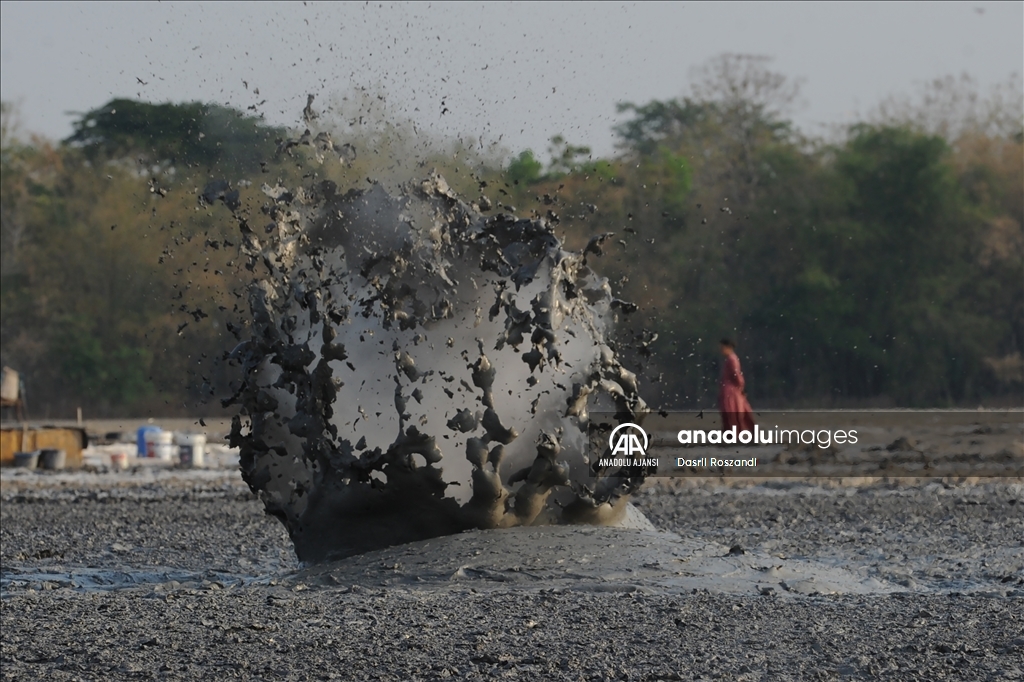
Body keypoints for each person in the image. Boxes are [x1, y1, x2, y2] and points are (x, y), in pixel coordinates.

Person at [718, 338, 755, 432]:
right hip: (730, 390)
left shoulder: (732, 359)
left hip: (731, 391)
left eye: (723, 347)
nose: (721, 350)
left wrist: (741, 386)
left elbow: (736, 374)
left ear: (729, 347)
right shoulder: (730, 359)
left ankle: (737, 434)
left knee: (733, 413)